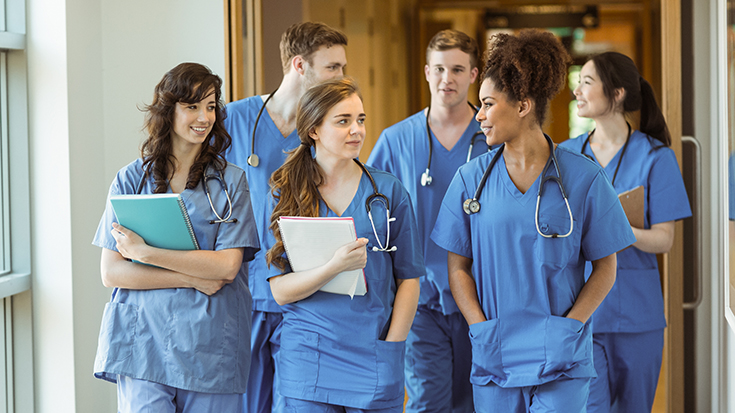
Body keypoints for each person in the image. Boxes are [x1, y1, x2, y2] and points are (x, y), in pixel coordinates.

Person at [430, 30, 637, 413]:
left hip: (561, 354)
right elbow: (457, 267)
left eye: (489, 104)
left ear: (523, 105)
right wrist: (479, 327)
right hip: (496, 352)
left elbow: (606, 265)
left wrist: (571, 326)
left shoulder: (584, 178)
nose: (479, 115)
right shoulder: (470, 181)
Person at [92, 62, 259, 412]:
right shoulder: (130, 181)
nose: (204, 117)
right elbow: (112, 272)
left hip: (210, 343)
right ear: (169, 111)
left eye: (211, 106)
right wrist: (190, 275)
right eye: (193, 106)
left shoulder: (231, 182)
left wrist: (144, 253)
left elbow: (227, 267)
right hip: (143, 343)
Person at [265, 77, 423, 412]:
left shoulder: (387, 191)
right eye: (343, 121)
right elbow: (279, 290)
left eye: (360, 120)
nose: (357, 130)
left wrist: (394, 344)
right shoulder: (284, 194)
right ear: (314, 130)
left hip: (374, 350)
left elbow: (409, 277)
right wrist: (333, 267)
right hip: (310, 354)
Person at [223, 22, 348, 413]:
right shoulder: (234, 120)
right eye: (333, 68)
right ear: (299, 65)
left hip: (303, 294)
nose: (342, 77)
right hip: (243, 293)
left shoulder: (325, 128)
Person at [559, 51, 692, 413]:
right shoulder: (565, 156)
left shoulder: (655, 157)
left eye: (587, 82)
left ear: (616, 93)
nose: (578, 91)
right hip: (582, 312)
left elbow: (664, 239)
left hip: (638, 318)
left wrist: (615, 227)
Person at [367, 29, 485, 413]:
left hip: (483, 295)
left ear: (474, 75)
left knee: (480, 399)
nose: (446, 79)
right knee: (428, 400)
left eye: (457, 69)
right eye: (438, 69)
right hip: (421, 296)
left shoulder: (492, 138)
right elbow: (370, 212)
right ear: (426, 72)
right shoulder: (396, 140)